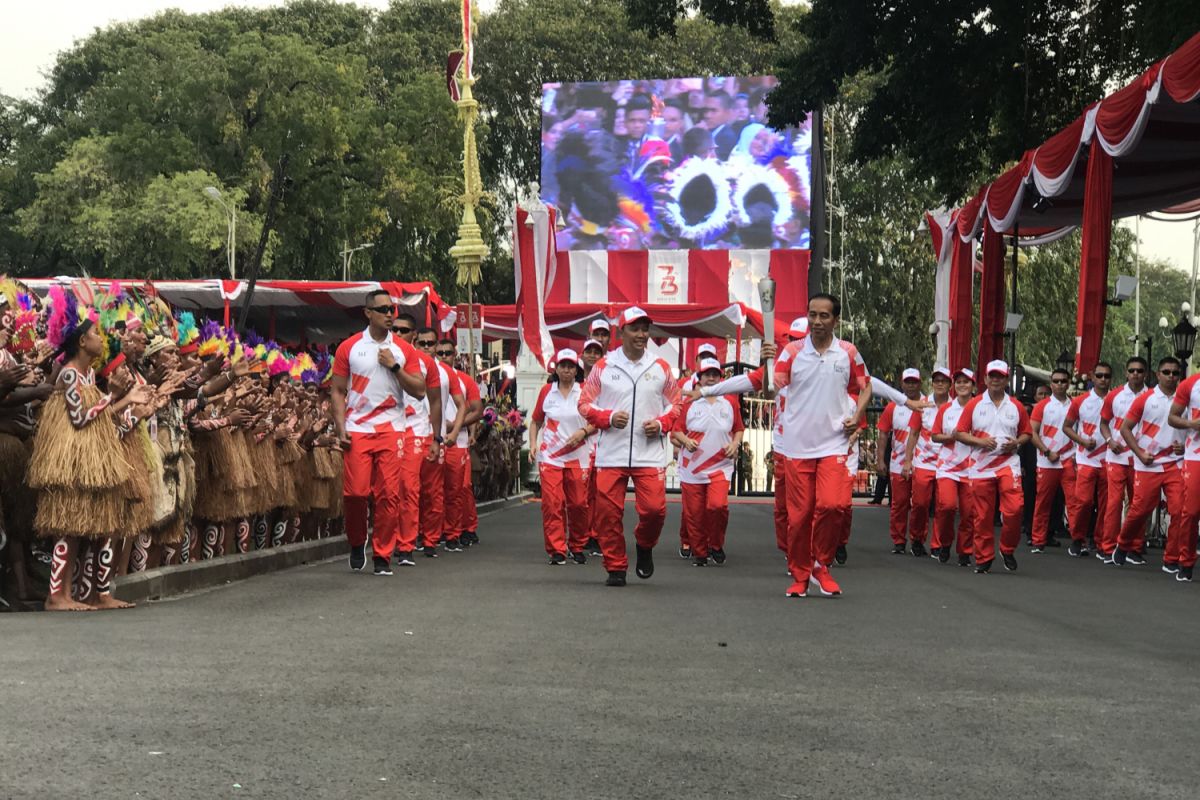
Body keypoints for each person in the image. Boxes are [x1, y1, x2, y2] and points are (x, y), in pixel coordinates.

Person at [28, 289, 150, 611]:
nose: (101, 339)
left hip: (88, 459)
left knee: (85, 526)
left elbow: (98, 418)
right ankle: (56, 596)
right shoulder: (69, 374)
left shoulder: (88, 375)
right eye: (95, 333)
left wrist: (124, 406)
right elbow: (81, 419)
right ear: (81, 342)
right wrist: (116, 398)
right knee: (67, 525)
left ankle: (87, 593)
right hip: (70, 461)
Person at [773, 293, 870, 598]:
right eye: (812, 315)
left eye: (824, 316)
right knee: (799, 517)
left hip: (834, 444)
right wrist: (766, 362)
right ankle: (801, 575)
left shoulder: (847, 352)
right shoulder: (791, 351)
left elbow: (865, 386)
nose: (816, 321)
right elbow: (769, 386)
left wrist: (857, 415)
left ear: (835, 320)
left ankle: (820, 564)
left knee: (834, 505)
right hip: (797, 446)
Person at [579, 306, 682, 587]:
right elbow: (585, 403)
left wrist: (662, 423)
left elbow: (677, 402)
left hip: (649, 453)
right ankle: (615, 566)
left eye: (645, 329)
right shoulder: (604, 367)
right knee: (608, 514)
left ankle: (644, 544)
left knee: (654, 511)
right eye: (635, 329)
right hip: (611, 453)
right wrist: (607, 417)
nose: (641, 334)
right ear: (621, 331)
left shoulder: (659, 367)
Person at [330, 289, 426, 576]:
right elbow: (336, 390)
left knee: (388, 495)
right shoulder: (349, 347)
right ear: (367, 313)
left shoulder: (403, 351)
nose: (388, 314)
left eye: (391, 310)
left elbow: (420, 391)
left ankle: (383, 554)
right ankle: (358, 541)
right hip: (358, 429)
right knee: (356, 493)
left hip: (392, 429)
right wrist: (340, 425)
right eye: (382, 309)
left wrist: (395, 367)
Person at [954, 360, 1031, 574]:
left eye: (1000, 376)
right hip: (981, 467)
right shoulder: (974, 404)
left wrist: (1016, 442)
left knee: (1015, 509)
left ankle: (1007, 548)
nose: (996, 380)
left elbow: (1027, 433)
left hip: (1008, 464)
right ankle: (984, 556)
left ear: (1006, 380)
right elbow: (959, 432)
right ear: (985, 379)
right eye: (992, 376)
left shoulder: (1016, 406)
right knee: (983, 514)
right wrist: (980, 442)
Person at [1111, 357, 1186, 569]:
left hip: (1175, 463)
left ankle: (1171, 559)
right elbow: (1125, 429)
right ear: (1157, 374)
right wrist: (1140, 453)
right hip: (1148, 464)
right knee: (1139, 510)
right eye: (1166, 372)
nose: (1171, 376)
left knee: (1180, 511)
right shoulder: (1146, 399)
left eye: (1175, 373)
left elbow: (1191, 431)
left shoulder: (1185, 399)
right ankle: (1123, 545)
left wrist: (1185, 447)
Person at [671, 357, 743, 566]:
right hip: (692, 467)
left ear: (721, 378)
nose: (711, 378)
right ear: (699, 378)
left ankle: (716, 545)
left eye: (715, 375)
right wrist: (686, 440)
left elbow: (738, 428)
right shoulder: (689, 402)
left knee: (718, 506)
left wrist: (735, 444)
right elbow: (676, 430)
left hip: (720, 465)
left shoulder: (730, 401)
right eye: (707, 375)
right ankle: (700, 552)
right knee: (694, 513)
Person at [531, 349, 594, 565]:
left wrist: (583, 432)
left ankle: (577, 545)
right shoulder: (547, 391)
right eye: (563, 366)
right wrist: (532, 444)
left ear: (576, 369)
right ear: (556, 369)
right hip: (551, 456)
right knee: (552, 503)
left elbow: (597, 421)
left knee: (578, 504)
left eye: (570, 366)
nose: (566, 370)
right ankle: (557, 549)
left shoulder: (585, 391)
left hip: (579, 455)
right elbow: (536, 421)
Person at [393, 319, 442, 566]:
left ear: (413, 334)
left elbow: (435, 402)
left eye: (403, 330)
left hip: (414, 431)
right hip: (385, 428)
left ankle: (406, 544)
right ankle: (388, 538)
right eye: (395, 329)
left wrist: (436, 437)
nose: (398, 333)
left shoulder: (426, 363)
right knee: (385, 490)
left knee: (408, 488)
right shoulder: (378, 355)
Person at [1098, 357, 1149, 558]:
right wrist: (1110, 440)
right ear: (1126, 373)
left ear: (1145, 373)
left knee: (1139, 503)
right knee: (1114, 501)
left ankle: (1134, 547)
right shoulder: (1114, 396)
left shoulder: (1152, 396)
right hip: (1117, 456)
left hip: (1142, 458)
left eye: (1139, 370)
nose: (1135, 373)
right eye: (1132, 370)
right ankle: (1108, 546)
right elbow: (1103, 423)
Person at [437, 338, 484, 549]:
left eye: (448, 353)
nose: (444, 356)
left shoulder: (465, 380)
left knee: (460, 488)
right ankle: (435, 530)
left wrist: (455, 426)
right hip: (430, 440)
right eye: (440, 353)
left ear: (454, 355)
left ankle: (462, 528)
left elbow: (477, 410)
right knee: (434, 489)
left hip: (458, 441)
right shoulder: (424, 376)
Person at [1063, 364, 1113, 558]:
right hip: (1086, 458)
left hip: (1109, 458)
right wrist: (1082, 441)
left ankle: (1100, 541)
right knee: (1083, 501)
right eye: (1099, 375)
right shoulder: (1080, 401)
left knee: (1107, 504)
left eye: (1107, 376)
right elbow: (1067, 427)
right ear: (1092, 376)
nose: (1103, 379)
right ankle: (1078, 538)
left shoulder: (1116, 399)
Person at [676, 341, 720, 559]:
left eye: (709, 356)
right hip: (688, 451)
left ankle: (709, 542)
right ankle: (687, 539)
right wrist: (680, 441)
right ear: (696, 362)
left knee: (711, 505)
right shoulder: (685, 384)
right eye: (702, 357)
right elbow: (678, 419)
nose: (705, 360)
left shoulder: (721, 388)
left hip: (713, 457)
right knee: (691, 506)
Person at [1029, 369, 1080, 553]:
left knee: (1074, 501)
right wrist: (1046, 451)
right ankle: (1037, 540)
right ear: (1051, 384)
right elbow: (1031, 432)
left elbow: (1080, 432)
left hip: (1068, 458)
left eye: (1063, 381)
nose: (1059, 384)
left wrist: (1076, 454)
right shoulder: (1042, 406)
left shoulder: (1075, 405)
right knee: (1043, 501)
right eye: (1056, 381)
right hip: (1046, 460)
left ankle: (1077, 540)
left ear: (1068, 383)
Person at [903, 365, 951, 561]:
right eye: (936, 381)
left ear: (950, 384)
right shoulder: (922, 404)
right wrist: (907, 461)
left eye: (943, 381)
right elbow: (913, 433)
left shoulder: (956, 406)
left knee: (943, 505)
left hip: (947, 462)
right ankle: (916, 538)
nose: (940, 384)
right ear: (932, 383)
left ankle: (938, 544)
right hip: (923, 460)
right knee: (921, 504)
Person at [930, 368, 977, 566]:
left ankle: (965, 550)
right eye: (958, 382)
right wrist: (951, 437)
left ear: (973, 385)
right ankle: (945, 543)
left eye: (966, 382)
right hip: (948, 467)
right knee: (947, 507)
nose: (962, 385)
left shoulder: (980, 407)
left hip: (973, 467)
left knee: (968, 513)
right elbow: (934, 435)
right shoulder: (946, 409)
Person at [877, 368, 925, 556]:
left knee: (921, 504)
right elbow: (883, 433)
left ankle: (918, 539)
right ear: (902, 383)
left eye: (914, 382)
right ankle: (898, 540)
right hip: (898, 462)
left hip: (921, 461)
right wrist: (881, 459)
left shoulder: (926, 404)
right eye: (908, 382)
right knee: (900, 503)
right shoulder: (893, 406)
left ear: (920, 383)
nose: (911, 385)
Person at [1166, 364, 1200, 582]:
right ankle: (1185, 561)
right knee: (1191, 511)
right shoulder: (1191, 384)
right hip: (1196, 455)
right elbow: (1173, 417)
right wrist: (1192, 424)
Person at [703, 90, 737, 160]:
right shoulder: (708, 132)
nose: (707, 115)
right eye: (706, 110)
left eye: (713, 111)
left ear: (727, 113)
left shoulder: (727, 138)